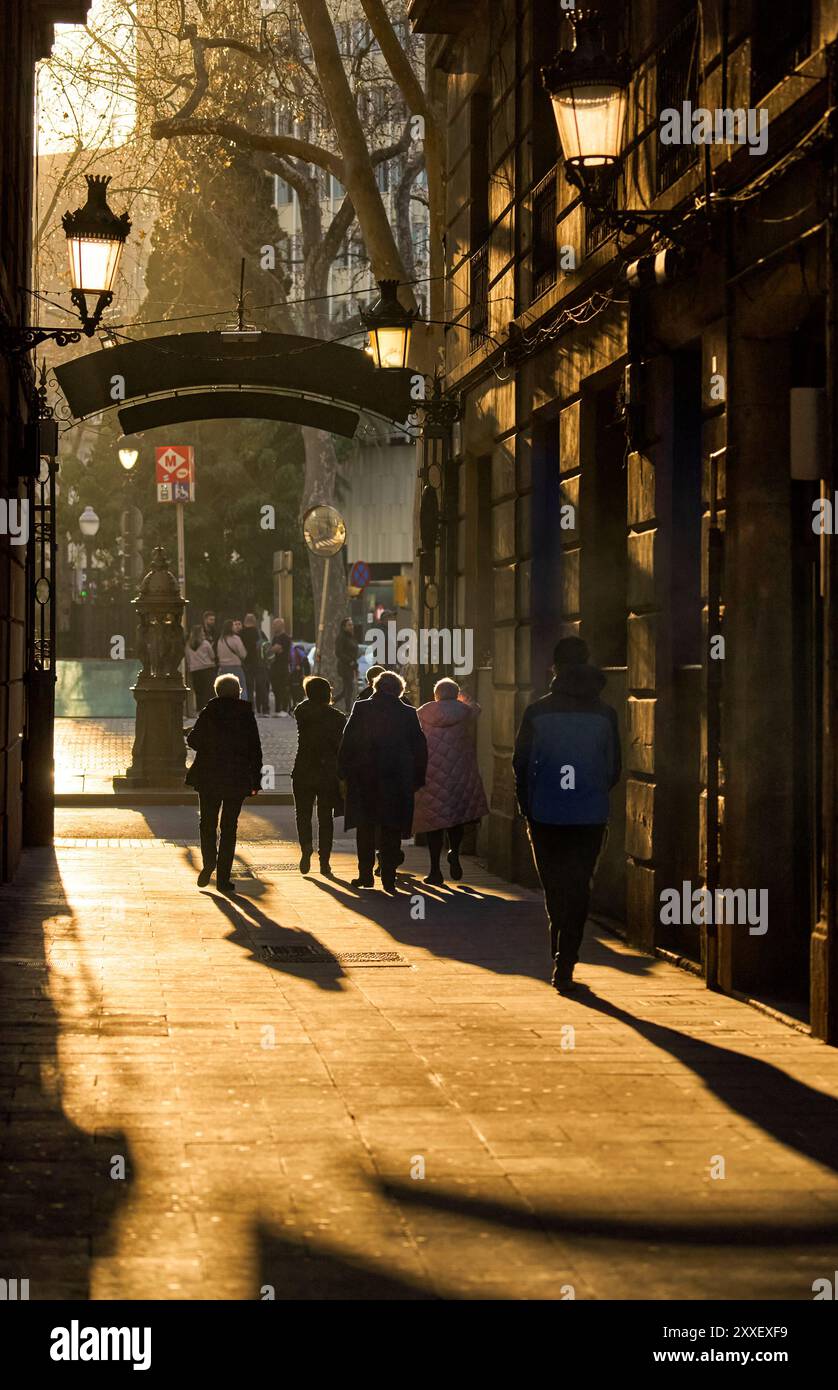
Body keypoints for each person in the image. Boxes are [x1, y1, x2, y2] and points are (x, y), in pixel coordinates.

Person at [512, 636, 621, 996]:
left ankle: (559, 955)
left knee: (554, 887)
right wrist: (589, 792)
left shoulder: (538, 711)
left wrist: (527, 805)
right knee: (579, 884)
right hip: (589, 814)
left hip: (545, 812)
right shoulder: (605, 713)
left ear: (554, 669)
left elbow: (521, 763)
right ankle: (566, 960)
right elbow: (613, 768)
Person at [338, 670, 427, 893]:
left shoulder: (362, 707)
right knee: (391, 827)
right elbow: (419, 748)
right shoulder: (408, 713)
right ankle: (389, 876)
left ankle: (365, 875)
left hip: (364, 778)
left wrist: (343, 773)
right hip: (397, 781)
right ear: (399, 690)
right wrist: (418, 778)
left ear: (375, 688)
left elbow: (348, 741)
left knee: (365, 827)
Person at [185, 672, 263, 895]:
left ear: (217, 692)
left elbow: (194, 740)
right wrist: (255, 780)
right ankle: (223, 878)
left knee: (207, 822)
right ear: (238, 691)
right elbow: (255, 750)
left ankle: (209, 860)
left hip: (209, 775)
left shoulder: (210, 711)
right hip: (236, 777)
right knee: (229, 827)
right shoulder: (246, 714)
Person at [413, 678, 489, 886]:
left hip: (432, 771)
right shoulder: (465, 712)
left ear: (436, 695)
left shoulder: (423, 712)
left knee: (433, 821)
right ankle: (454, 851)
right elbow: (477, 708)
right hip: (460, 771)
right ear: (455, 694)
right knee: (457, 816)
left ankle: (435, 870)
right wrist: (461, 698)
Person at [292, 675, 346, 878]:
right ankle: (325, 862)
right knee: (325, 818)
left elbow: (305, 703)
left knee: (302, 813)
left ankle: (306, 846)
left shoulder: (302, 712)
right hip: (327, 771)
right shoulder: (338, 718)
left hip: (303, 768)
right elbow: (341, 747)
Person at [185, 624, 216, 711]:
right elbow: (212, 656)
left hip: (195, 670)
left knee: (199, 692)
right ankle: (210, 709)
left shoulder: (188, 645)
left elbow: (187, 658)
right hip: (207, 669)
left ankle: (200, 709)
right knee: (209, 691)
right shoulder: (205, 643)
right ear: (200, 633)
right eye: (202, 631)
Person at [216, 619, 249, 700]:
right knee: (241, 688)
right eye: (234, 625)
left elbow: (218, 654)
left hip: (223, 668)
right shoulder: (236, 639)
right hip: (235, 667)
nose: (235, 627)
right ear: (230, 627)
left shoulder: (221, 640)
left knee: (224, 690)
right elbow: (243, 654)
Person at [241, 614, 267, 714]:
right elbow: (266, 646)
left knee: (248, 687)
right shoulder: (259, 633)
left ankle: (250, 708)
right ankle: (264, 709)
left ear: (245, 621)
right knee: (261, 686)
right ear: (255, 621)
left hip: (246, 663)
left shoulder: (241, 634)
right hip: (259, 663)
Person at [334, 617, 359, 712]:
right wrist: (349, 661)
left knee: (346, 689)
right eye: (349, 625)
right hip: (344, 666)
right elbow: (338, 652)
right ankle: (348, 709)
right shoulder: (341, 637)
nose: (351, 627)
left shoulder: (351, 637)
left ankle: (332, 701)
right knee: (349, 688)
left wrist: (354, 664)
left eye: (352, 625)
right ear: (344, 627)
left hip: (352, 666)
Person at [269, 618, 292, 716]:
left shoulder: (285, 638)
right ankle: (277, 709)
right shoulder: (275, 638)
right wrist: (274, 649)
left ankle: (284, 709)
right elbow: (273, 650)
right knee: (275, 688)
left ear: (281, 625)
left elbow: (275, 649)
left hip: (282, 667)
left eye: (275, 624)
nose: (273, 626)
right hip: (274, 667)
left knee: (283, 688)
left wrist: (274, 649)